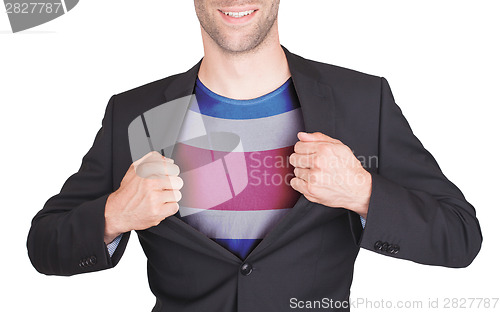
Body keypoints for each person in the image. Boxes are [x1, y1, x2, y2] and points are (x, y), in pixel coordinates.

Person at [27, 1, 482, 311]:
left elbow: (460, 236)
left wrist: (363, 192)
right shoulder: (135, 113)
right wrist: (114, 214)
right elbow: (45, 246)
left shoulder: (363, 101)